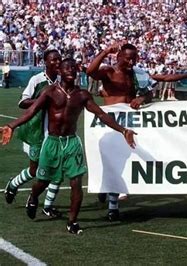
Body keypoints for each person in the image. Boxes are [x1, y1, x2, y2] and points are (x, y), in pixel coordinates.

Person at [0, 58, 136, 234]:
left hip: (72, 142)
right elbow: (31, 111)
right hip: (52, 143)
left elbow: (101, 114)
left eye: (73, 68)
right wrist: (12, 125)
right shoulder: (50, 91)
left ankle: (72, 222)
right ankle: (33, 197)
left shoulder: (82, 95)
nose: (71, 70)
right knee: (42, 181)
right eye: (66, 68)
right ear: (61, 71)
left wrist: (123, 130)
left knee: (76, 183)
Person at [86, 42, 151, 221]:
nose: (131, 62)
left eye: (134, 59)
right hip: (108, 123)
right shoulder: (109, 72)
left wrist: (141, 98)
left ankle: (112, 207)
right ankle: (105, 190)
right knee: (107, 163)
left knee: (119, 163)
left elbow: (149, 93)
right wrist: (106, 50)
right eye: (128, 59)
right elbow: (90, 72)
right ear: (119, 57)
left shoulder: (136, 75)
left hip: (127, 124)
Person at [4, 50, 64, 218]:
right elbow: (23, 102)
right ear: (45, 62)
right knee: (34, 170)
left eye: (59, 59)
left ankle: (47, 205)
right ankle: (13, 185)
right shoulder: (37, 80)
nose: (57, 62)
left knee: (58, 169)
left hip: (55, 132)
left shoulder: (62, 81)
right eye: (53, 60)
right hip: (36, 131)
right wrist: (42, 101)